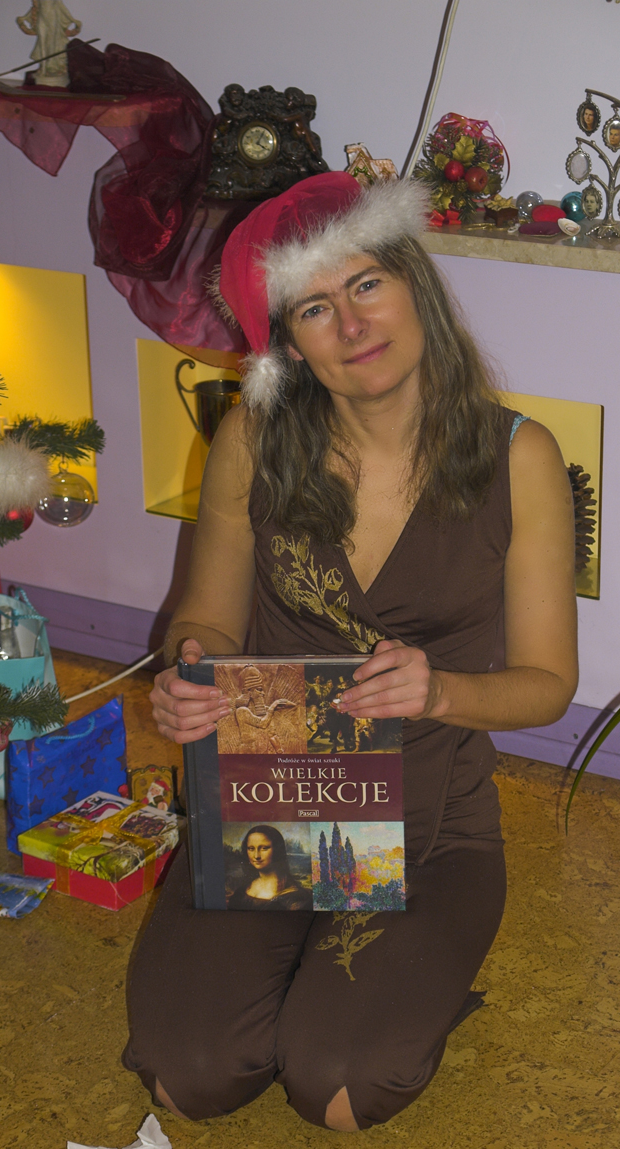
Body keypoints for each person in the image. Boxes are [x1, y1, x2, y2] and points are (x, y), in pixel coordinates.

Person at [123, 172, 578, 1132]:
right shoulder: (252, 437)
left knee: (335, 1087)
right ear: (290, 343)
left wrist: (439, 690)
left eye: (366, 284)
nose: (352, 324)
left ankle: (381, 973)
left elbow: (546, 686)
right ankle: (305, 949)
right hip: (274, 797)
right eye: (314, 307)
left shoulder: (520, 456)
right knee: (185, 1078)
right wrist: (190, 670)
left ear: (416, 287)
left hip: (430, 822)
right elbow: (204, 621)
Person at [227, 825, 313, 911]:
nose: (256, 856)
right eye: (251, 848)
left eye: (264, 848)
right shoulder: (242, 890)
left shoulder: (294, 897)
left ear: (277, 850)